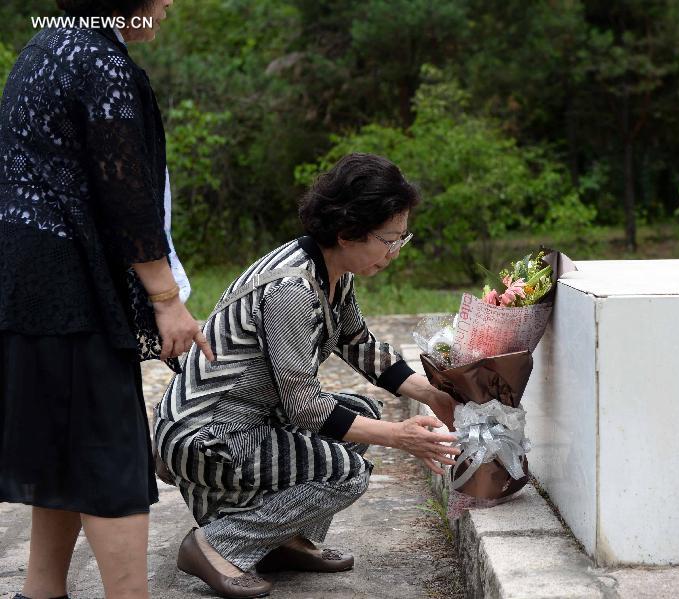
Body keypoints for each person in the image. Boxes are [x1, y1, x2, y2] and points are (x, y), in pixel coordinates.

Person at [155, 153, 461, 598]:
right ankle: (217, 544)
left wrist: (432, 394)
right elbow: (305, 406)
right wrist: (402, 436)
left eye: (401, 238)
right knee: (346, 471)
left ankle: (279, 540)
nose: (395, 252)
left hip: (245, 421)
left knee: (360, 413)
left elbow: (359, 345)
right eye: (387, 239)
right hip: (207, 435)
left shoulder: (332, 269)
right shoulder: (292, 290)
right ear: (348, 232)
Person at [0, 1, 212, 598]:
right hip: (75, 294)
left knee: (64, 455)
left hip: (30, 288)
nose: (169, 2)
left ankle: (40, 592)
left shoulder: (45, 49)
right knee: (110, 460)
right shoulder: (102, 64)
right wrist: (166, 300)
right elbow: (128, 197)